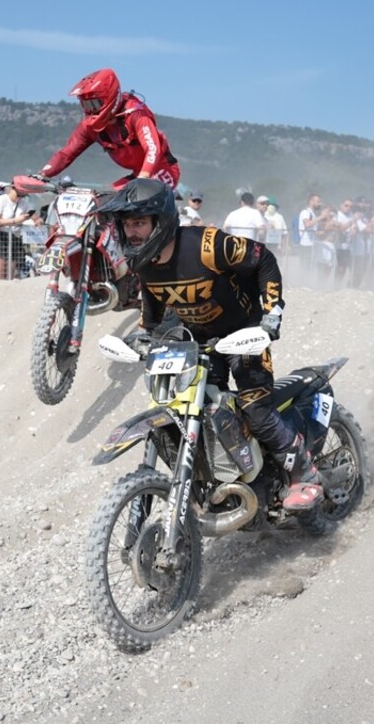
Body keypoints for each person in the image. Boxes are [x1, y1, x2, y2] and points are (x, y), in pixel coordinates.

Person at [95, 178, 322, 510]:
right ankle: (235, 479)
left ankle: (305, 472)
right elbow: (154, 300)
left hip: (243, 333)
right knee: (200, 411)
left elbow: (263, 259)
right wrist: (147, 332)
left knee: (255, 408)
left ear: (160, 221)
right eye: (127, 224)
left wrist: (272, 311)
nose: (131, 232)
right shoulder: (142, 261)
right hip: (199, 339)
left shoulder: (207, 245)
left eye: (139, 223)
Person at [38, 68, 181, 189]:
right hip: (137, 174)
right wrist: (42, 175)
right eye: (87, 105)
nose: (91, 110)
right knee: (101, 206)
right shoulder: (90, 126)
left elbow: (153, 148)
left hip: (163, 170)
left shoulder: (136, 114)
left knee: (129, 205)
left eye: (95, 103)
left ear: (109, 97)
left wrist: (144, 176)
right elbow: (66, 153)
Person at [0, 182, 40, 280]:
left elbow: (35, 216)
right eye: (18, 194)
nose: (19, 197)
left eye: (22, 195)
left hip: (14, 238)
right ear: (12, 189)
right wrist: (15, 221)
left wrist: (38, 221)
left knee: (10, 275)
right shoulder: (1, 200)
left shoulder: (23, 203)